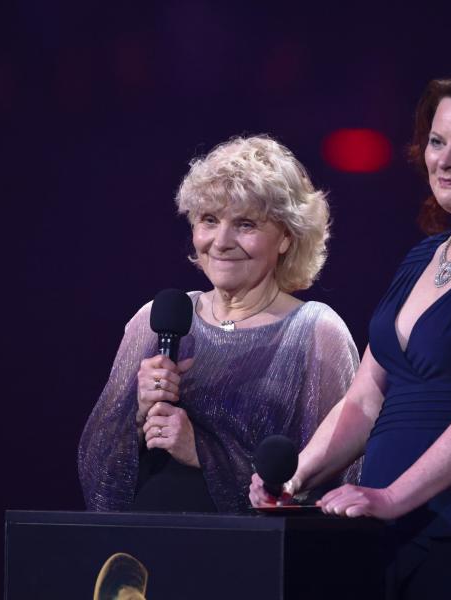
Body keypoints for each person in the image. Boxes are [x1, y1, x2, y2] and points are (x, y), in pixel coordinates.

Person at [250, 70, 451, 598]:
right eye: (436, 142)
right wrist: (295, 480)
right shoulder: (422, 257)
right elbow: (365, 396)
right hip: (384, 530)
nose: (443, 160)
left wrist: (393, 497)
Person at [80, 135, 359, 514]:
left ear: (286, 238)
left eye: (245, 224)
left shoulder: (315, 333)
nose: (221, 241)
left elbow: (335, 487)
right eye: (209, 220)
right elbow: (97, 476)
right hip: (150, 548)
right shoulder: (153, 320)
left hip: (253, 560)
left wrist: (204, 454)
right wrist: (140, 413)